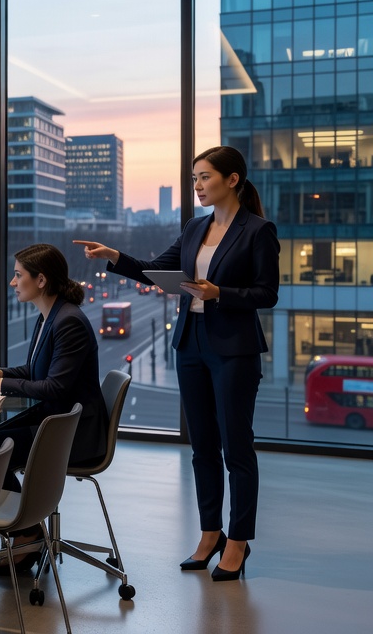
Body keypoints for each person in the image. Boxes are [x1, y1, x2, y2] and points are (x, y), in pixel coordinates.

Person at [75, 145, 278, 582]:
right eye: (194, 179)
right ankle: (210, 534)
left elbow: (267, 293)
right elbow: (154, 269)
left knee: (236, 450)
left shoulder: (258, 231)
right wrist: (114, 256)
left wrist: (218, 293)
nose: (198, 186)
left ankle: (238, 542)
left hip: (233, 350)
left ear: (232, 179)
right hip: (190, 345)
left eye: (204, 177)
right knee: (202, 447)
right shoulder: (193, 228)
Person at [0, 243, 107, 575]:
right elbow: (37, 372)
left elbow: (55, 387)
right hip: (54, 424)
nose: (12, 282)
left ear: (41, 280)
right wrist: (0, 374)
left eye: (18, 275)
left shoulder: (68, 322)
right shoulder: (51, 314)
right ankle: (26, 532)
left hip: (70, 434)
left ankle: (25, 532)